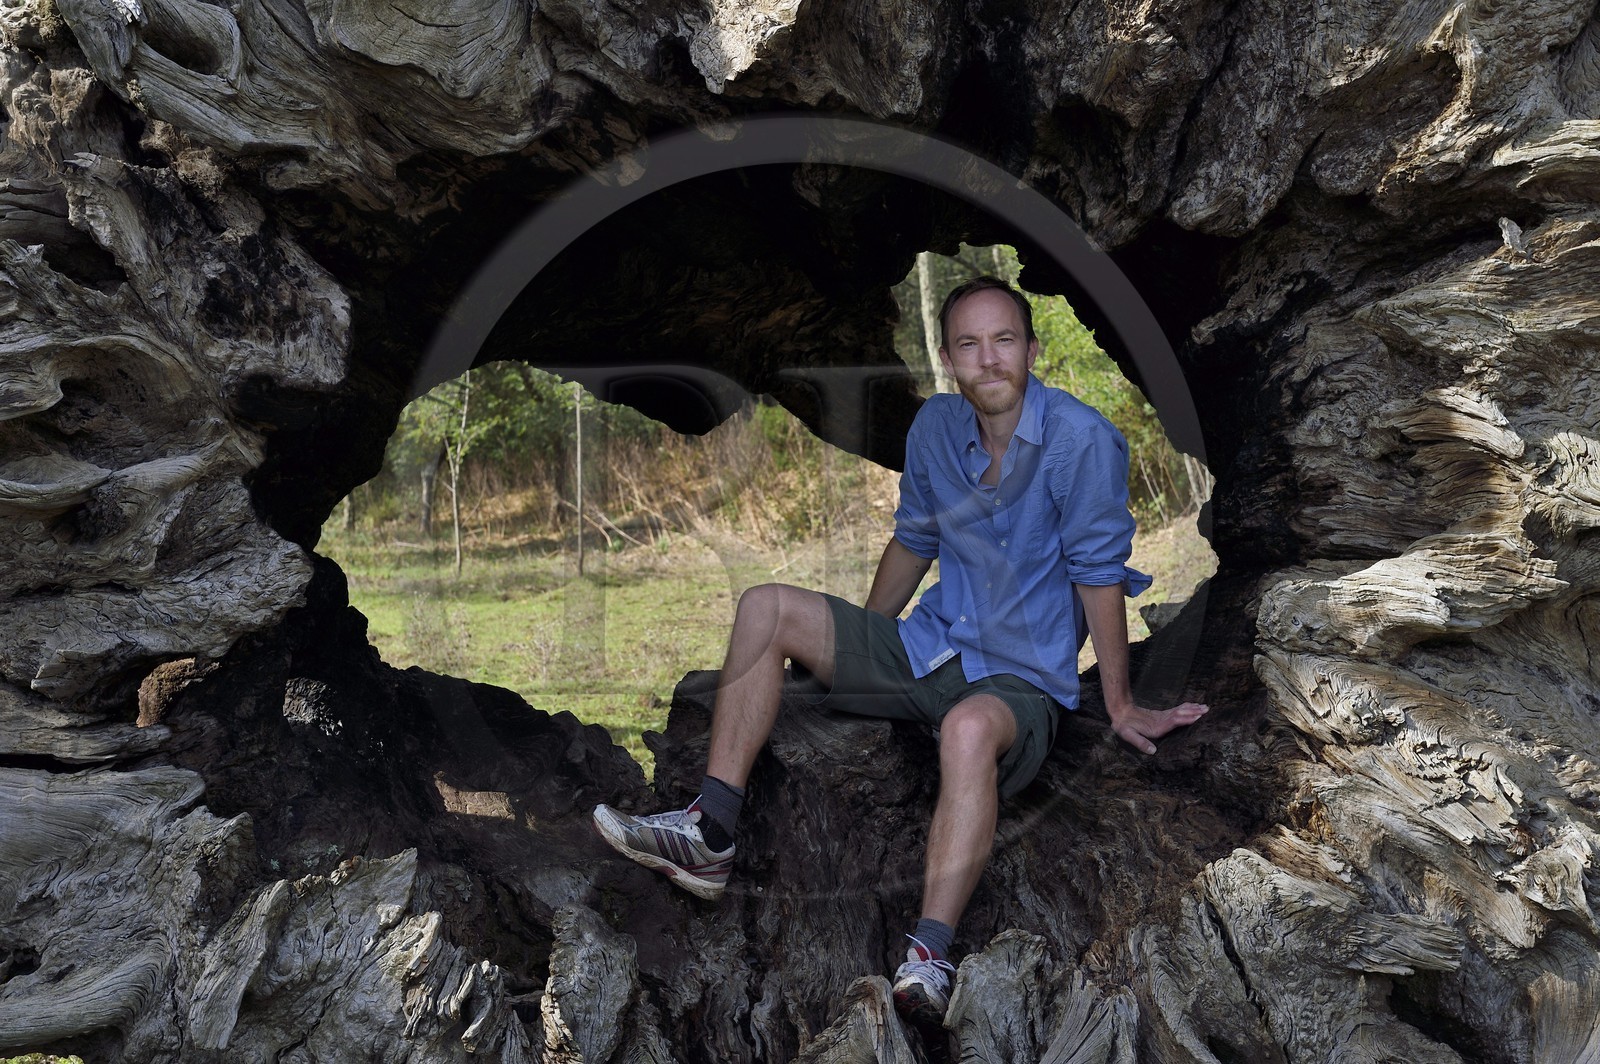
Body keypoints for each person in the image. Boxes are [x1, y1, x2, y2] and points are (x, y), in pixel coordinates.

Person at [593, 276, 1209, 1024]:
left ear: (1033, 349)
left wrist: (1116, 702)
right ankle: (709, 832)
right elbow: (915, 540)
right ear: (949, 359)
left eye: (1005, 340)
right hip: (927, 648)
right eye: (971, 345)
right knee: (765, 608)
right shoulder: (934, 431)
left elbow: (1098, 574)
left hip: (1018, 683)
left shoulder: (1081, 441)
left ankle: (929, 954)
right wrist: (851, 646)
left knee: (969, 729)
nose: (990, 360)